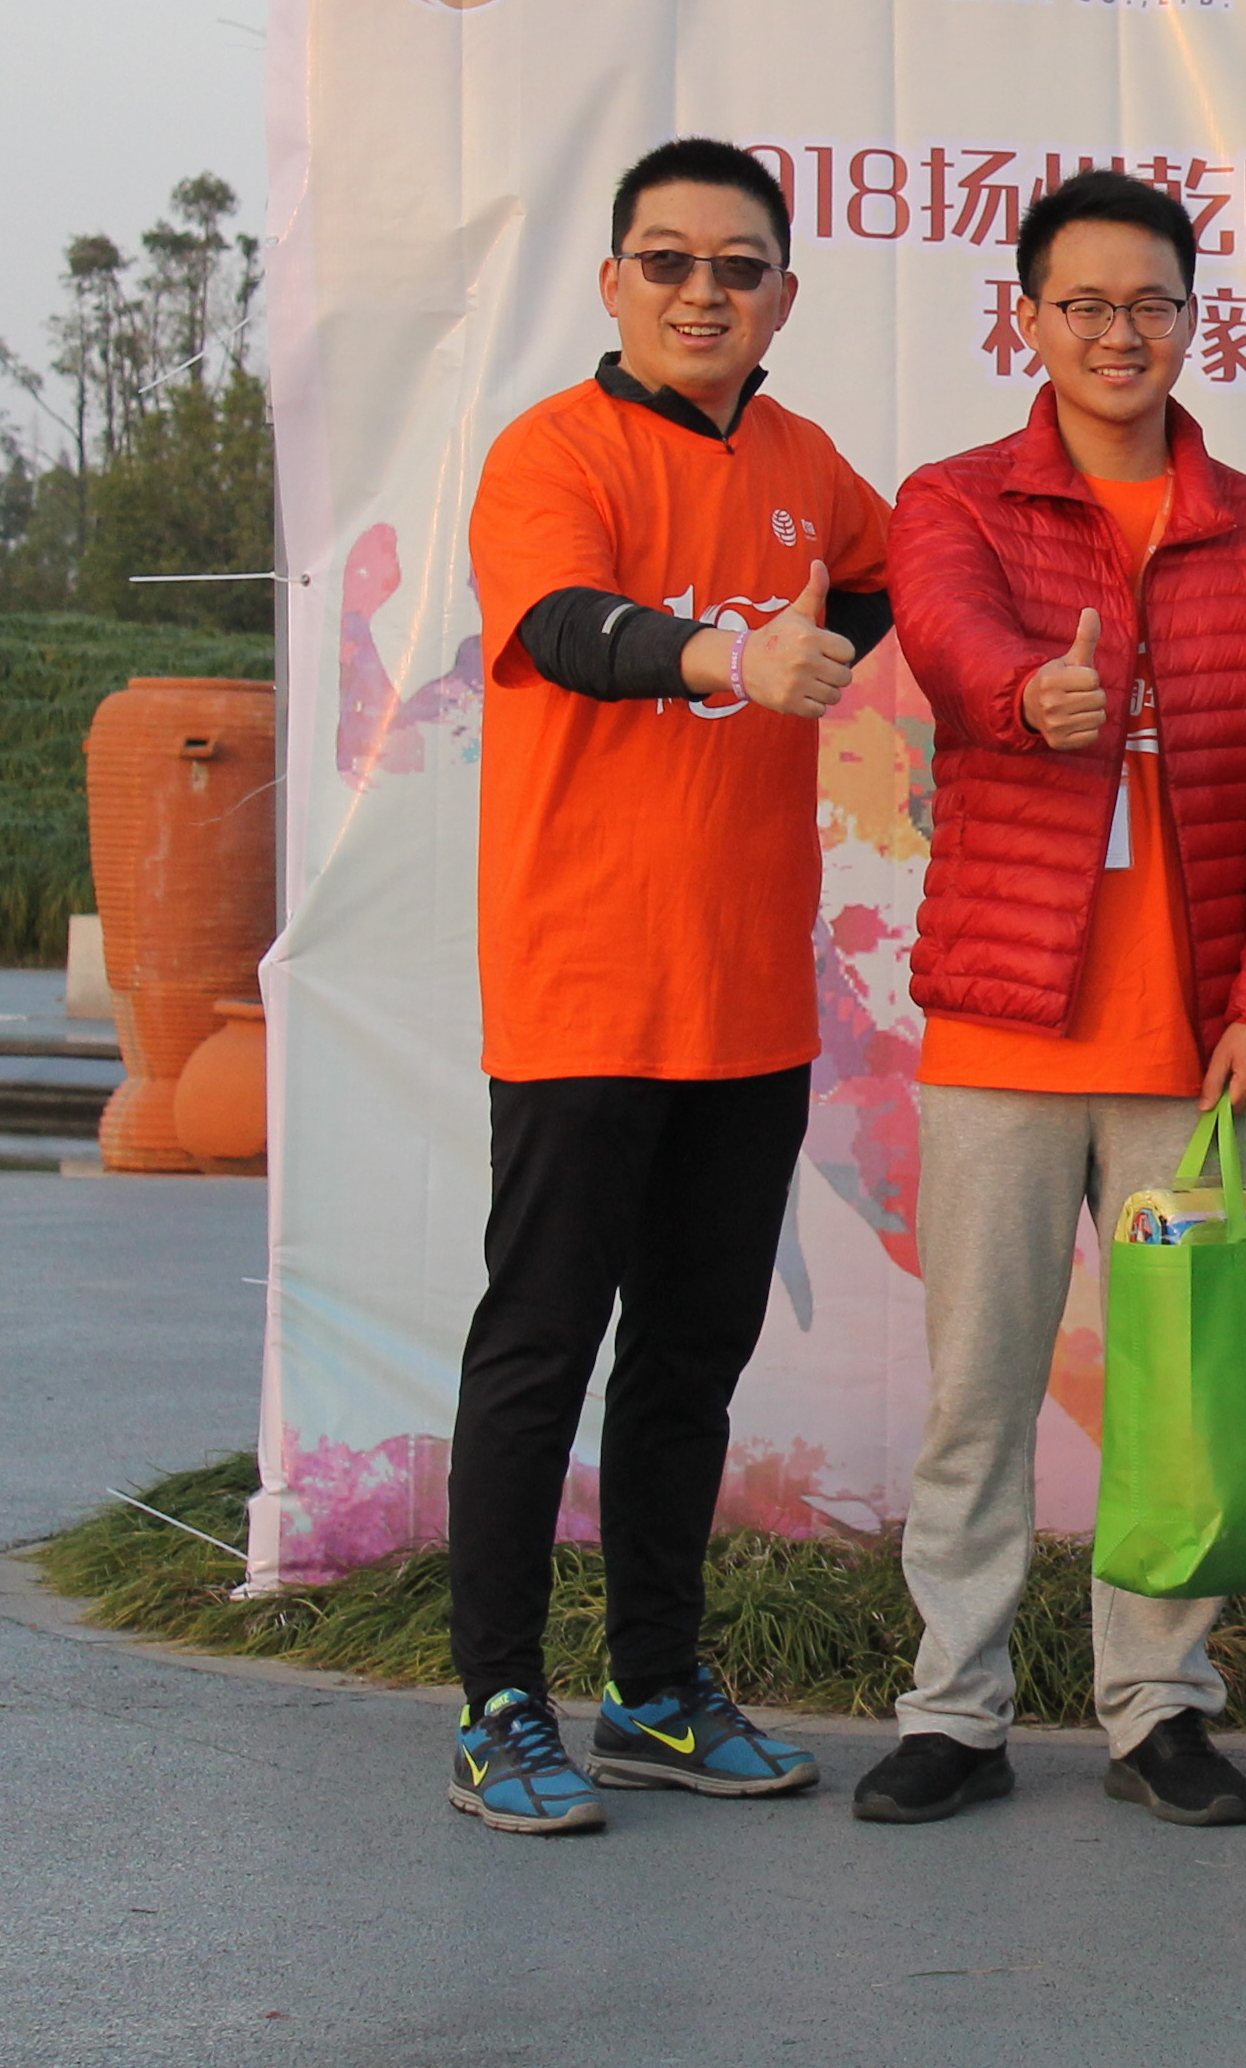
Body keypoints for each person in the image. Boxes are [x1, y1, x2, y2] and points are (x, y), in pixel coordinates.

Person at [850, 170, 1246, 1834]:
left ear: (1194, 318)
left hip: (1192, 1046)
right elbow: (945, 636)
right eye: (1084, 305)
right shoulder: (956, 498)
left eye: (1150, 304)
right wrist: (1027, 692)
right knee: (978, 1393)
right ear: (1029, 319)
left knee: (1177, 1400)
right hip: (1005, 1025)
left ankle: (1158, 1710)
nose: (1118, 334)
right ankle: (955, 1710)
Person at [445, 136, 891, 1834]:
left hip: (749, 996)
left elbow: (885, 572)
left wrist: (829, 642)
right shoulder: (553, 450)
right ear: (614, 281)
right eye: (671, 262)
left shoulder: (802, 460)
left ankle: (652, 1688)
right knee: (539, 1346)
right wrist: (727, 655)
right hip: (584, 984)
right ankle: (498, 1703)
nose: (704, 293)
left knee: (690, 1363)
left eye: (738, 267)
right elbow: (565, 625)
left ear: (783, 293)